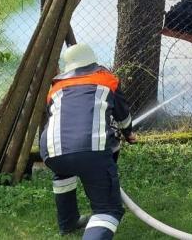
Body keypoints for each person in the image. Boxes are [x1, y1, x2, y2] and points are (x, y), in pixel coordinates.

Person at [39, 43, 137, 239]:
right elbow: (123, 117)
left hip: (51, 150)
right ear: (93, 61)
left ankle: (68, 223)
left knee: (64, 174)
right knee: (107, 210)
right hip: (90, 151)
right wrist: (128, 134)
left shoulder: (56, 87)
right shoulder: (108, 80)